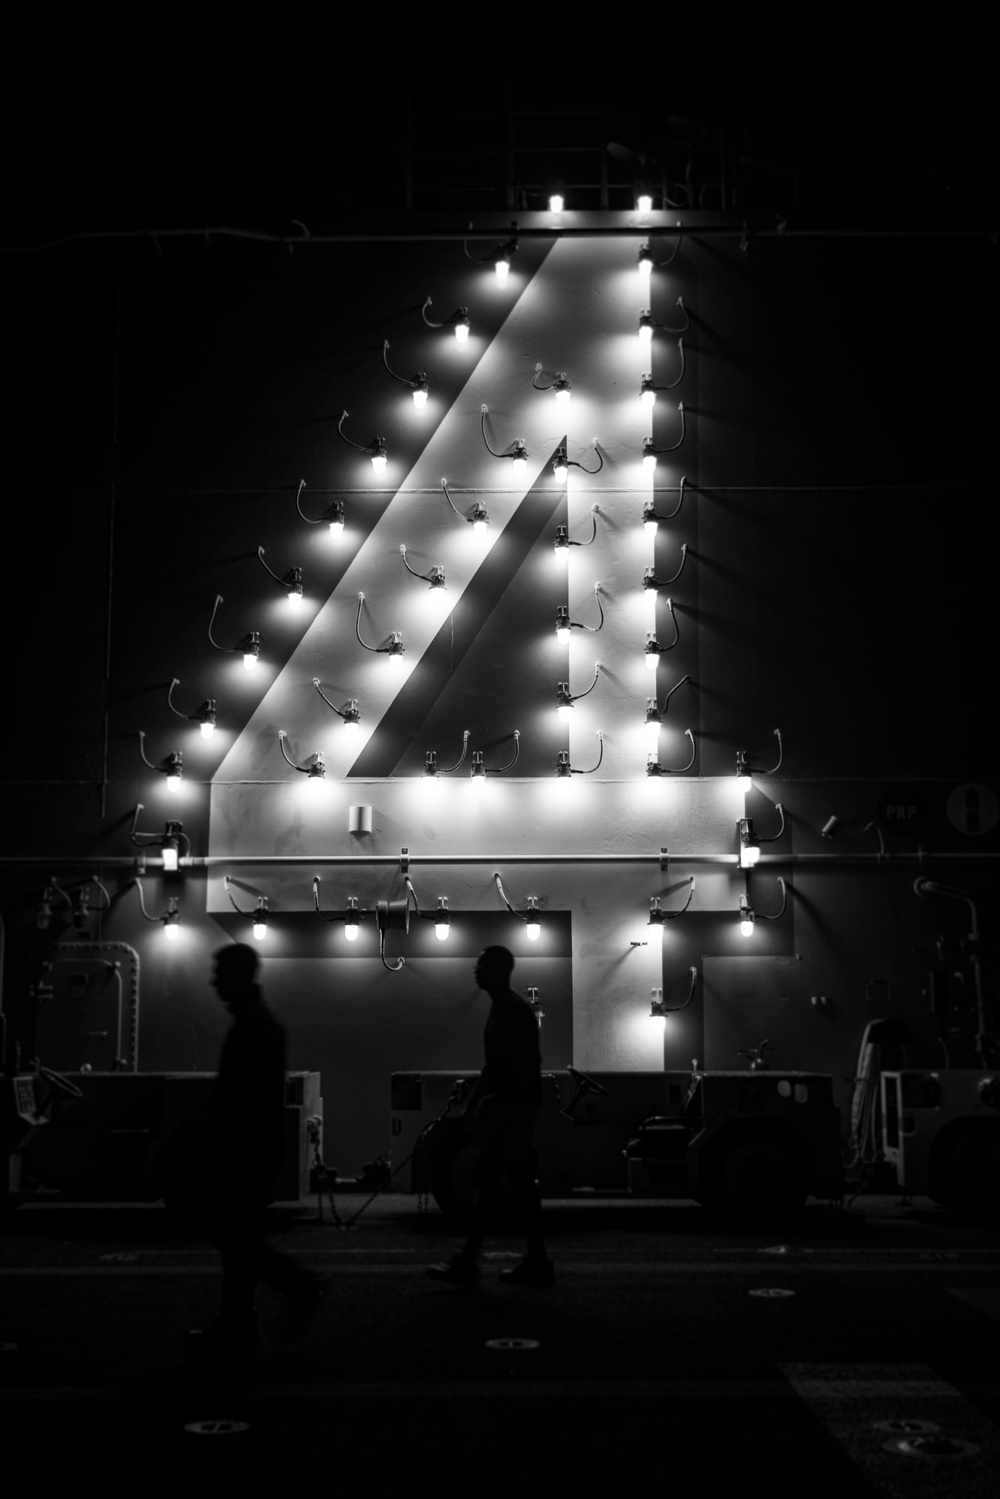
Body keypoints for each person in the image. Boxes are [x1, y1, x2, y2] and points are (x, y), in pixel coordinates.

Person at [186, 943, 321, 1357]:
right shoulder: (260, 1022)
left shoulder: (252, 1025)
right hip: (254, 1149)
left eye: (219, 972)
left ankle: (291, 1289)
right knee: (238, 1240)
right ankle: (238, 1324)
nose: (213, 981)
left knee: (235, 1240)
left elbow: (244, 1100)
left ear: (239, 975)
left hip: (242, 1151)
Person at [428, 945, 554, 1288]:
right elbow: (497, 1065)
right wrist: (475, 1105)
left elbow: (507, 1067)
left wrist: (482, 1106)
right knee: (518, 1184)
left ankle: (470, 1263)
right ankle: (536, 1261)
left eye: (482, 965)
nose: (475, 970)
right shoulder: (506, 1008)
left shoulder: (510, 1011)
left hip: (510, 1106)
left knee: (491, 1179)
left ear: (499, 970)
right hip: (514, 1104)